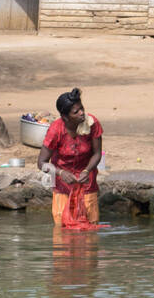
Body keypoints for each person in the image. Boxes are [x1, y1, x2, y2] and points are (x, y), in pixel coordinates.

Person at [38, 87, 106, 229]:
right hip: (62, 187)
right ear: (65, 117)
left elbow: (97, 154)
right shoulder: (56, 130)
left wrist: (87, 170)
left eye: (82, 108)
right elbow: (41, 163)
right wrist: (60, 173)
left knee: (89, 230)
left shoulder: (92, 123)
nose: (82, 113)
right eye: (76, 112)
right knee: (63, 231)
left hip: (87, 183)